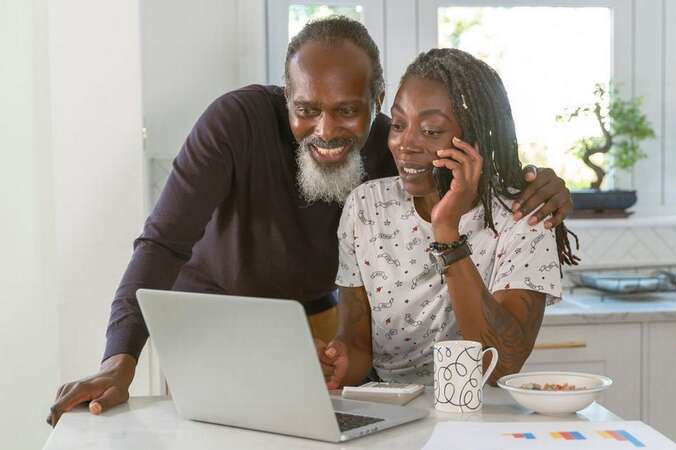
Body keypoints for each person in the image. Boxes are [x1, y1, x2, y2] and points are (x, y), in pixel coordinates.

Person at [47, 17, 574, 426]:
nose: (325, 130)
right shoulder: (235, 123)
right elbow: (161, 244)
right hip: (219, 315)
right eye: (306, 108)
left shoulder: (399, 149)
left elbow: (469, 155)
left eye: (348, 111)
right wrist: (120, 359)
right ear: (285, 97)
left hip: (316, 319)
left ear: (376, 105)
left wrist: (537, 183)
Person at [321, 48, 577, 389]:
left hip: (483, 412)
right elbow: (357, 345)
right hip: (392, 408)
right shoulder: (366, 206)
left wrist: (447, 231)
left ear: (475, 138)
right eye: (398, 124)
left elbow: (501, 364)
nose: (404, 143)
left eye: (430, 130)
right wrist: (334, 362)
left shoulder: (524, 215)